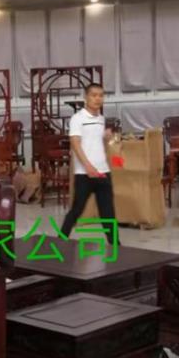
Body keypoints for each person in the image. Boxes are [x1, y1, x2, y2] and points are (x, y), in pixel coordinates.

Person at [60, 83, 116, 244]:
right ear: (86, 97)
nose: (98, 99)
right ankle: (60, 241)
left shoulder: (101, 119)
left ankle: (116, 245)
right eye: (94, 95)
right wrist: (87, 166)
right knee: (77, 210)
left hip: (103, 171)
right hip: (84, 174)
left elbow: (98, 144)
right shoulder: (77, 118)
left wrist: (106, 137)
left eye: (101, 95)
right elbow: (75, 143)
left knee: (108, 213)